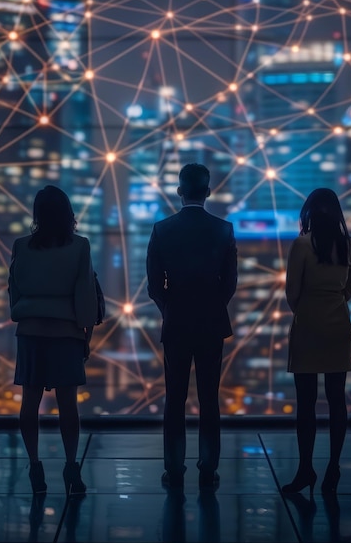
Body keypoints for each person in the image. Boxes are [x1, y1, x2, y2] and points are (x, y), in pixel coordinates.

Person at [147, 163, 237, 489]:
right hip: (212, 322)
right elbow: (230, 284)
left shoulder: (162, 230)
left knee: (174, 398)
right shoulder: (224, 230)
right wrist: (213, 306)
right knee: (209, 398)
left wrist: (169, 308)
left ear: (179, 191)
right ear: (208, 191)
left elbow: (154, 286)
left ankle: (173, 469)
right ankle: (208, 469)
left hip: (177, 322)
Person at [8, 185, 98, 495]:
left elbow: (14, 289)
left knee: (29, 403)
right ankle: (71, 466)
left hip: (30, 332)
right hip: (67, 332)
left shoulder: (21, 246)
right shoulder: (80, 247)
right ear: (67, 214)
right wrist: (86, 334)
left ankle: (34, 465)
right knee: (68, 405)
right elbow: (86, 294)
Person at [282, 188, 351, 495]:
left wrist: (306, 309)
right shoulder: (349, 245)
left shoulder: (301, 244)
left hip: (308, 325)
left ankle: (305, 469)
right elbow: (348, 292)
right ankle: (334, 466)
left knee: (306, 403)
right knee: (337, 401)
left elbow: (291, 293)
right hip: (339, 325)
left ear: (309, 213)